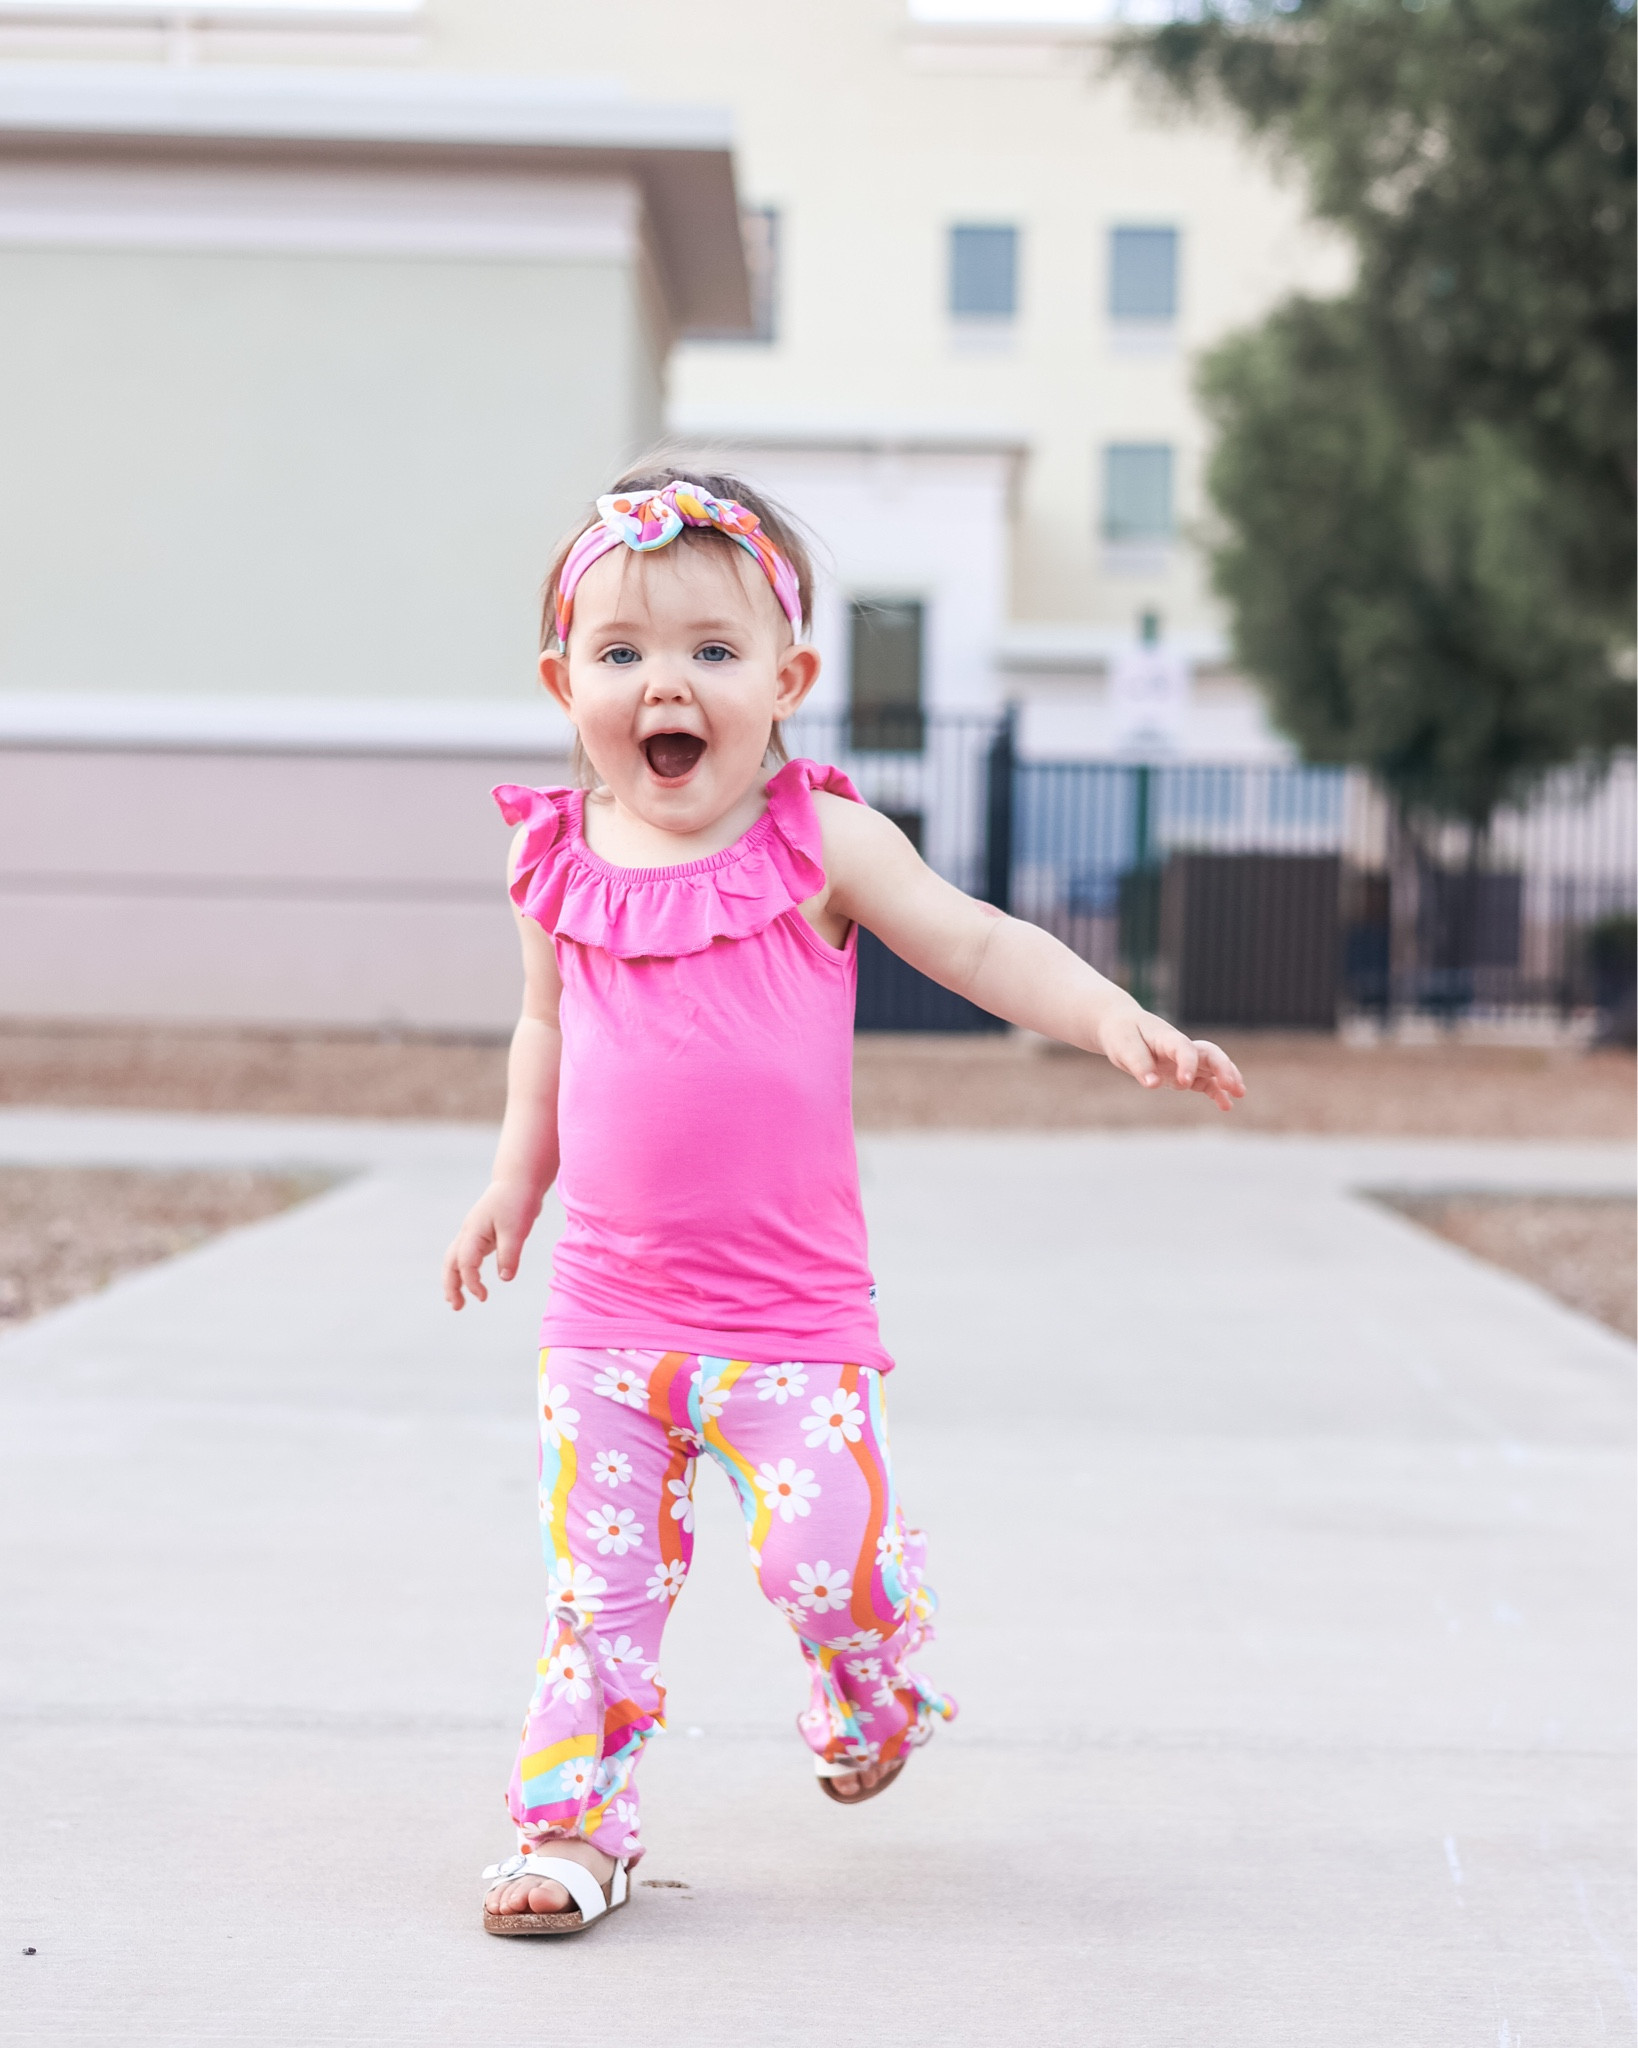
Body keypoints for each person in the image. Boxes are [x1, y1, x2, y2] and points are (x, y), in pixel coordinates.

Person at [443, 465, 1246, 1937]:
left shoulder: (819, 841)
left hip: (790, 1330)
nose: (660, 685)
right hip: (603, 1324)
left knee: (827, 1569)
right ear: (564, 684)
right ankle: (566, 1833)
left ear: (786, 678)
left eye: (708, 652)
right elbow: (545, 1030)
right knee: (598, 1598)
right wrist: (513, 1182)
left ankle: (866, 1682)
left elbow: (980, 944)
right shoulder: (548, 856)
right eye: (620, 655)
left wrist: (1110, 1015)